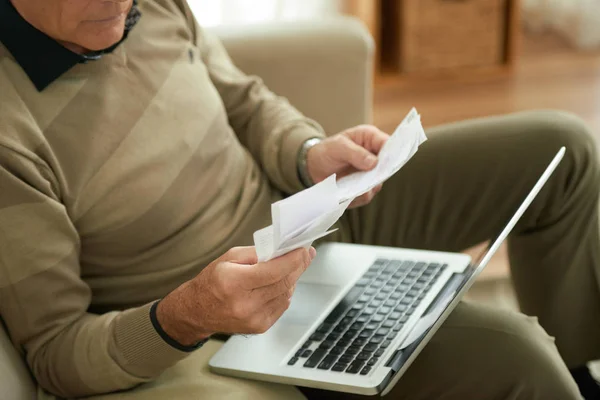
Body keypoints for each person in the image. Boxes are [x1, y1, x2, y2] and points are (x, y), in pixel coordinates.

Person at [0, 0, 599, 399]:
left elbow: (243, 100)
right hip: (215, 330)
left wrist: (308, 152)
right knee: (518, 357)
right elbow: (55, 351)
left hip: (303, 221)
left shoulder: (146, 6)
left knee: (563, 151)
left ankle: (581, 373)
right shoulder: (9, 128)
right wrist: (190, 314)